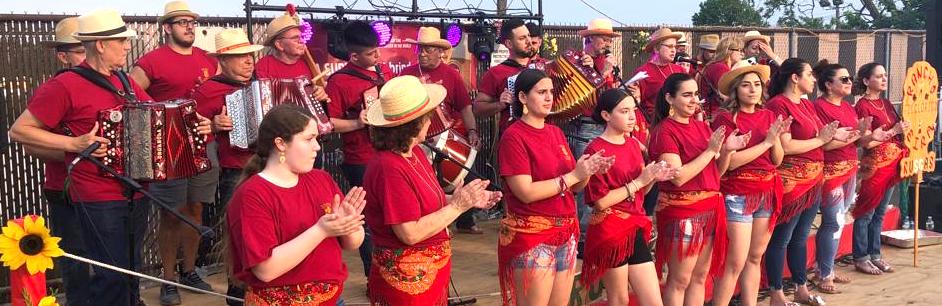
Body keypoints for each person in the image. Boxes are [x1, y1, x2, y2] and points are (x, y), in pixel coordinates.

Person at [9, 9, 208, 305]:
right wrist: (74, 143)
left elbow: (162, 117)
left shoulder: (126, 83)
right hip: (96, 194)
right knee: (111, 273)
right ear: (100, 44)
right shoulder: (64, 85)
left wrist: (196, 124)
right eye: (121, 42)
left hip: (135, 191)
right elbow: (19, 131)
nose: (128, 47)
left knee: (130, 269)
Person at [363, 75, 500, 305]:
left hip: (429, 276)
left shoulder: (414, 152)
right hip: (407, 284)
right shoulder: (388, 166)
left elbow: (425, 202)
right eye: (428, 117)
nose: (431, 121)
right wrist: (458, 205)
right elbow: (410, 233)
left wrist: (468, 199)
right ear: (414, 123)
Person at [227, 104, 366, 306]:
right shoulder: (253, 194)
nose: (317, 147)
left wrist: (348, 225)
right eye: (309, 139)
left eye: (316, 139)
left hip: (333, 299)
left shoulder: (321, 179)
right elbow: (265, 269)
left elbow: (353, 243)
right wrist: (321, 230)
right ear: (281, 144)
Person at [497, 69, 613, 306]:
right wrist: (573, 176)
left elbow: (576, 185)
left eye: (551, 91)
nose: (549, 97)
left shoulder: (555, 132)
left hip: (565, 232)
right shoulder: (514, 136)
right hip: (533, 236)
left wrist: (588, 170)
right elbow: (525, 192)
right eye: (541, 92)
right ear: (522, 98)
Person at [129, 2, 219, 302]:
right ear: (167, 27)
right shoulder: (150, 62)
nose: (189, 27)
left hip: (204, 147)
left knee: (196, 211)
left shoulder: (208, 60)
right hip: (167, 151)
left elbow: (220, 100)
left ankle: (190, 271)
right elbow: (131, 102)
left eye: (192, 22)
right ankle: (168, 280)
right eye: (182, 22)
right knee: (170, 216)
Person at [648, 73, 745, 306]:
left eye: (696, 94)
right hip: (683, 212)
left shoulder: (702, 127)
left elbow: (715, 174)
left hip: (709, 208)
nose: (694, 100)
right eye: (687, 95)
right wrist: (711, 151)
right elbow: (678, 177)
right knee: (680, 280)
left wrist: (727, 151)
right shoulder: (665, 131)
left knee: (699, 278)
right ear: (670, 98)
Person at [580, 89, 676, 306]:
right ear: (606, 115)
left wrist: (652, 178)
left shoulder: (633, 144)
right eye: (624, 111)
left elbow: (641, 191)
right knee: (619, 299)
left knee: (653, 299)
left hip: (634, 225)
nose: (632, 117)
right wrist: (640, 182)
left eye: (633, 110)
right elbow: (600, 202)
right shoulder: (596, 149)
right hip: (610, 229)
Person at [191, 27, 265, 305]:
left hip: (269, 166)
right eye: (240, 56)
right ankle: (237, 294)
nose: (249, 61)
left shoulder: (262, 85)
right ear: (222, 61)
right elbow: (187, 132)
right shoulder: (208, 91)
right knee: (240, 234)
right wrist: (212, 126)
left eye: (250, 55)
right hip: (235, 169)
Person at [764, 58, 845, 306]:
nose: (813, 79)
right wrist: (822, 140)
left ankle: (800, 288)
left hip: (813, 180)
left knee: (800, 237)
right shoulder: (779, 104)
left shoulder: (806, 105)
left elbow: (823, 138)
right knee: (782, 238)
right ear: (795, 78)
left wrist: (850, 136)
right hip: (793, 181)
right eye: (809, 74)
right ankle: (776, 293)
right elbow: (786, 146)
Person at [709, 60, 785, 306]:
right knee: (735, 261)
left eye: (757, 85)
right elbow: (730, 163)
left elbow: (777, 159)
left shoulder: (769, 114)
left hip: (766, 190)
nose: (753, 90)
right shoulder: (726, 118)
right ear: (735, 90)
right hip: (738, 193)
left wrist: (774, 140)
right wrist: (765, 143)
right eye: (746, 85)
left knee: (755, 257)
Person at [325, 20, 395, 276]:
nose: (377, 56)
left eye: (377, 50)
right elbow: (329, 123)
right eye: (370, 53)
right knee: (367, 220)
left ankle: (388, 269)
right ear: (353, 55)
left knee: (387, 214)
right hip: (360, 157)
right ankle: (372, 274)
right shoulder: (339, 81)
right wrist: (358, 121)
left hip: (386, 152)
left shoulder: (382, 73)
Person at [400, 26, 483, 234]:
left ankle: (462, 219)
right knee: (423, 184)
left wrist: (472, 130)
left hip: (445, 136)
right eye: (420, 49)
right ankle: (429, 224)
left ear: (440, 51)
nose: (423, 53)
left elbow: (465, 106)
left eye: (428, 49)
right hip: (414, 139)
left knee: (461, 176)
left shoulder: (451, 75)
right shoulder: (406, 74)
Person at [32, 16, 91, 306]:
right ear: (63, 56)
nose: (85, 56)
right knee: (77, 258)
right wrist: (75, 151)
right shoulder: (56, 88)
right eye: (79, 51)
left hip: (106, 188)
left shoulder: (110, 83)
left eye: (88, 48)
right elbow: (31, 143)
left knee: (116, 256)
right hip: (66, 188)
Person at [811, 60, 868, 294]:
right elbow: (821, 144)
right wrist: (850, 137)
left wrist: (862, 133)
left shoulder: (848, 107)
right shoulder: (818, 107)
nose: (848, 82)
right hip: (830, 171)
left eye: (849, 78)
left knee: (839, 221)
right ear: (828, 84)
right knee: (833, 222)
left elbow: (856, 140)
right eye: (843, 79)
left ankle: (825, 268)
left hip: (849, 168)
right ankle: (824, 273)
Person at [852, 62, 909, 275]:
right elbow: (866, 142)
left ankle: (875, 254)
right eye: (879, 76)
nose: (884, 79)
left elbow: (896, 130)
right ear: (867, 81)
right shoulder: (862, 106)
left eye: (885, 75)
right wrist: (894, 130)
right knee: (866, 212)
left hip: (893, 164)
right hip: (874, 166)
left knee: (879, 213)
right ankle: (861, 257)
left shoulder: (886, 102)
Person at [472, 17, 533, 131]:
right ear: (509, 44)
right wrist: (500, 105)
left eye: (528, 35)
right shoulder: (496, 72)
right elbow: (477, 108)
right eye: (522, 38)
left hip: (541, 135)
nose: (529, 41)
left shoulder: (541, 67)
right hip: (513, 137)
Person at [255, 11, 329, 100]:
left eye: (301, 37)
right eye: (295, 38)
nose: (302, 41)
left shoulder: (308, 63)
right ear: (279, 45)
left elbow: (318, 90)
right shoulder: (264, 66)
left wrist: (320, 93)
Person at [632, 27, 685, 122]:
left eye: (675, 47)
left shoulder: (680, 70)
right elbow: (636, 103)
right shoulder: (643, 72)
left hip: (680, 120)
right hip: (656, 123)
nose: (674, 50)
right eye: (669, 46)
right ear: (656, 48)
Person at [698, 36, 744, 120]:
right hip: (717, 115)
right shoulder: (720, 67)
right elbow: (726, 95)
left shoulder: (715, 65)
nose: (742, 54)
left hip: (714, 113)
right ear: (728, 51)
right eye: (739, 50)